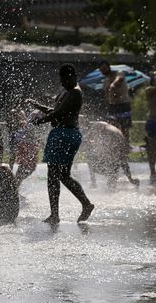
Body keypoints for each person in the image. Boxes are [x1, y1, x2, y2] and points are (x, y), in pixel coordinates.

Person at [28, 64, 94, 225]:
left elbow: (58, 113)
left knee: (53, 175)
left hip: (64, 135)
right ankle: (85, 204)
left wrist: (40, 120)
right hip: (66, 134)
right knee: (63, 175)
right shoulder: (69, 91)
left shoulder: (75, 93)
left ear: (72, 77)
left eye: (64, 80)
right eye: (61, 81)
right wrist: (39, 107)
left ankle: (55, 215)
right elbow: (56, 110)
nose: (62, 83)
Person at [83, 120, 139, 188]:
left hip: (97, 132)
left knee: (92, 157)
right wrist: (131, 179)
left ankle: (94, 182)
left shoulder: (99, 127)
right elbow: (123, 161)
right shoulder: (117, 132)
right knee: (116, 162)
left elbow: (87, 142)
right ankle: (108, 181)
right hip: (107, 137)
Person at [99, 61, 133, 140]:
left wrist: (113, 84)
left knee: (125, 127)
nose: (103, 71)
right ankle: (117, 144)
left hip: (124, 104)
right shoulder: (105, 81)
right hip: (113, 107)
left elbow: (120, 78)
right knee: (113, 126)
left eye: (104, 68)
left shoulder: (118, 73)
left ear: (109, 67)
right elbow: (106, 96)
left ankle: (126, 145)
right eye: (102, 70)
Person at [10, 110, 41, 187]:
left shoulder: (28, 125)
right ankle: (14, 188)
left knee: (29, 168)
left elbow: (31, 135)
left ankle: (15, 187)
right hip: (25, 150)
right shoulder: (19, 128)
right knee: (23, 170)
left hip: (28, 150)